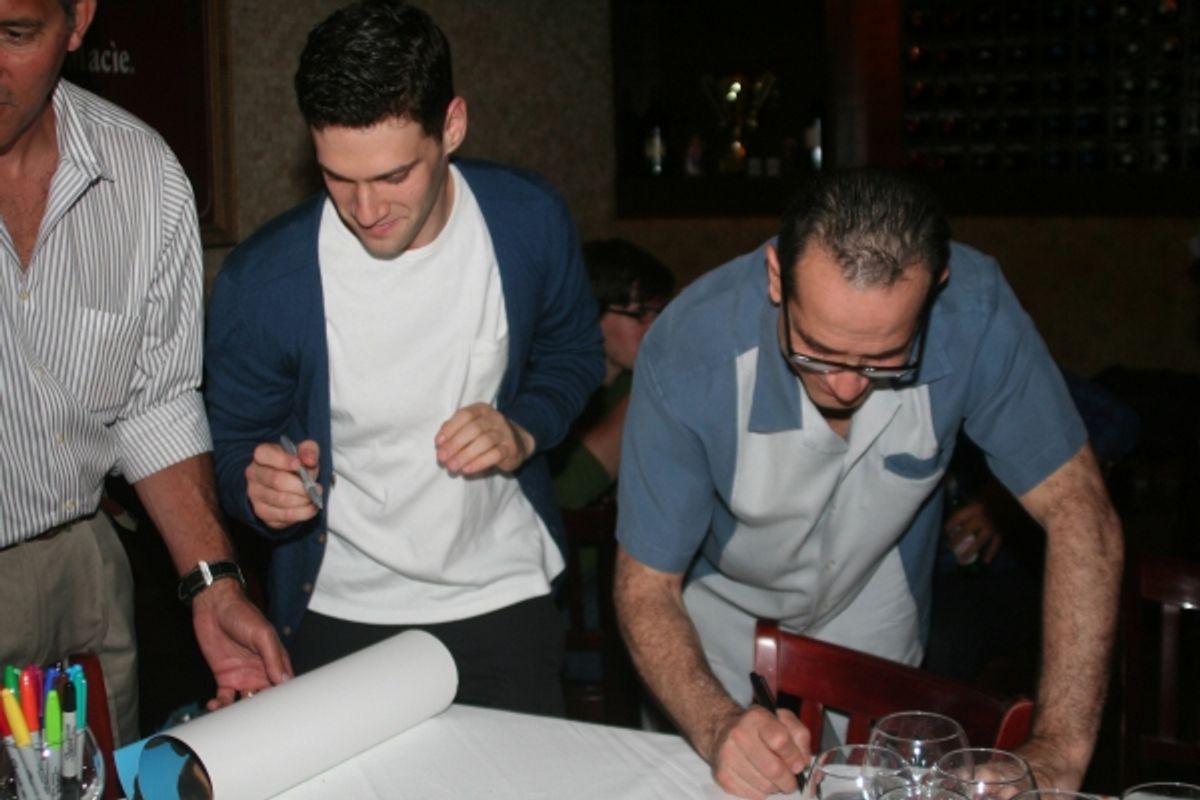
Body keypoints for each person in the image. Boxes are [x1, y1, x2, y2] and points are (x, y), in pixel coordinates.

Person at [613, 170, 1123, 799]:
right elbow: (645, 585)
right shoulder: (691, 349)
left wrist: (1060, 748)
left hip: (877, 599)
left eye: (884, 358)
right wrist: (717, 725)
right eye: (818, 352)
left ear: (935, 289)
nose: (848, 387)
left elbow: (1081, 514)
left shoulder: (977, 314)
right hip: (720, 610)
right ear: (776, 276)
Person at [203, 0, 603, 716]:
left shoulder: (528, 218)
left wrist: (524, 427)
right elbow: (232, 450)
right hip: (337, 607)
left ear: (451, 126)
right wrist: (258, 489)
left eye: (392, 176)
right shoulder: (262, 283)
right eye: (337, 177)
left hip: (502, 592)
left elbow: (573, 353)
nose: (365, 207)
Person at [0, 0, 291, 745]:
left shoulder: (141, 172)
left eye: (13, 34)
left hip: (82, 574)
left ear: (78, 20)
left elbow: (153, 404)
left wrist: (213, 583)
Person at [551, 238, 675, 510]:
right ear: (592, 311)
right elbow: (569, 490)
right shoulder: (551, 383)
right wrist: (655, 386)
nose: (655, 329)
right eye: (641, 313)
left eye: (660, 313)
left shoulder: (626, 384)